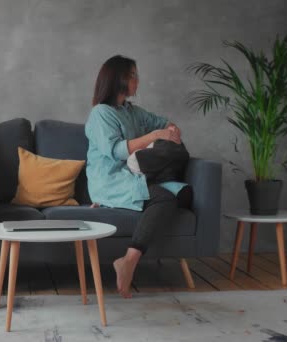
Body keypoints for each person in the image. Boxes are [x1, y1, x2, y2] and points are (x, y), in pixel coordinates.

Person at [85, 55, 189, 298]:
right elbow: (115, 151)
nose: (137, 80)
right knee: (164, 199)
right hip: (111, 180)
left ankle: (147, 165)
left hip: (133, 173)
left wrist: (172, 131)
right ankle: (129, 260)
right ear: (117, 78)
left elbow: (164, 122)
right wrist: (154, 136)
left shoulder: (131, 111)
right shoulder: (101, 113)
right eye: (132, 75)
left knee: (182, 188)